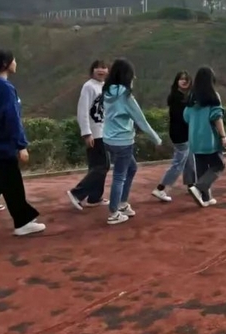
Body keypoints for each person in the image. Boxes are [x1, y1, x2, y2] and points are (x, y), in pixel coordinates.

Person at [0, 49, 45, 249]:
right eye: (13, 60)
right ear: (5, 64)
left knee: (12, 184)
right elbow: (12, 119)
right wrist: (21, 145)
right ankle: (22, 221)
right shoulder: (4, 88)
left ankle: (23, 221)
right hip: (1, 147)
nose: (16, 62)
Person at [102, 58, 162, 225]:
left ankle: (122, 203)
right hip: (122, 142)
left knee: (131, 168)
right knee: (119, 176)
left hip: (108, 139)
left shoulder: (106, 91)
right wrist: (156, 139)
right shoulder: (125, 96)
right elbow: (141, 120)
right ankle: (114, 212)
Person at [66, 60, 110, 211]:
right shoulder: (89, 86)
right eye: (98, 68)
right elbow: (82, 111)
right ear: (92, 70)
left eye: (104, 67)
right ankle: (77, 193)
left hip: (104, 132)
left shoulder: (105, 87)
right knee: (102, 166)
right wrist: (86, 133)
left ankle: (94, 197)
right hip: (95, 133)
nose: (101, 70)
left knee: (96, 166)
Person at [184, 67, 226, 205]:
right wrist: (223, 136)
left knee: (201, 168)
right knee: (218, 165)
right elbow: (217, 117)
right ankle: (198, 188)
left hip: (194, 139)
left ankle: (205, 198)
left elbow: (186, 117)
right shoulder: (213, 96)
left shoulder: (191, 98)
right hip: (209, 138)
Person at [151, 71, 196, 202]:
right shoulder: (177, 98)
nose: (184, 81)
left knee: (190, 158)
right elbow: (182, 118)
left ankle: (192, 185)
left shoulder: (186, 96)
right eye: (181, 79)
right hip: (180, 134)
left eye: (186, 79)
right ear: (177, 81)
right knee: (178, 163)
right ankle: (161, 188)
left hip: (185, 133)